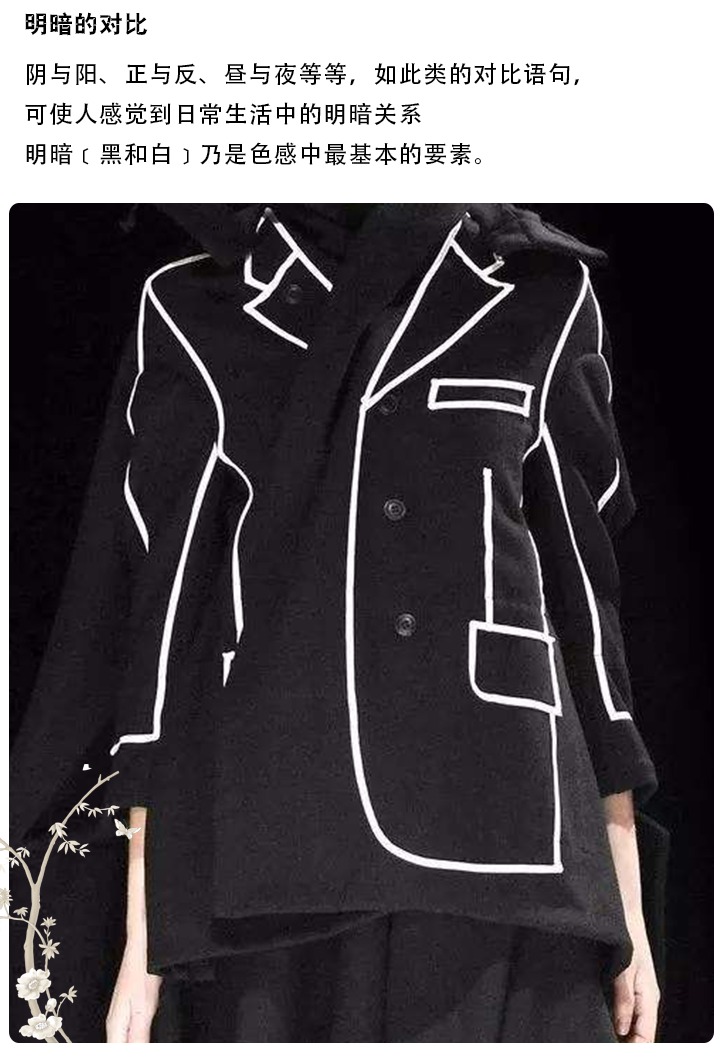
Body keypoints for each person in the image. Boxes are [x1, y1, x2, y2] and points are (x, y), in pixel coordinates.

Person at [11, 203, 661, 1042]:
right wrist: (146, 926)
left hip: (509, 832)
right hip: (277, 838)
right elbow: (164, 625)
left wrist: (626, 906)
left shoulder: (540, 293)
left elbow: (584, 608)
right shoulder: (197, 307)